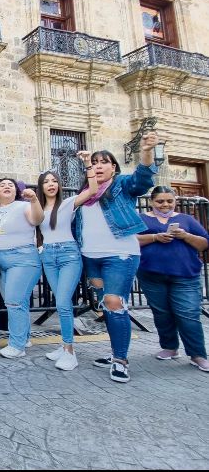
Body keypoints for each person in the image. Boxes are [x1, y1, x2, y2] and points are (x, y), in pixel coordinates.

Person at [76, 131, 159, 383]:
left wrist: (146, 152)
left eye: (104, 162)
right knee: (106, 307)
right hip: (92, 257)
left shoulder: (122, 185)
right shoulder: (88, 192)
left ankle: (121, 360)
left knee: (114, 303)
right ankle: (114, 353)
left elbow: (143, 180)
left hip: (119, 256)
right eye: (95, 162)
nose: (99, 166)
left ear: (114, 168)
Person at [35, 152, 97, 371]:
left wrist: (88, 164)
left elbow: (93, 190)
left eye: (54, 181)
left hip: (69, 254)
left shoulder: (69, 202)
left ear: (59, 185)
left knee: (63, 303)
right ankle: (64, 346)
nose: (50, 185)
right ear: (41, 187)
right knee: (60, 303)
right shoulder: (39, 209)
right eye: (46, 182)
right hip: (48, 256)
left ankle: (70, 351)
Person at [136, 186, 209, 372]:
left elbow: (204, 243)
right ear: (152, 202)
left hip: (185, 275)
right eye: (160, 201)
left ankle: (197, 354)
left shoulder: (186, 220)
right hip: (151, 274)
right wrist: (155, 237)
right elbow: (129, 239)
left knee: (188, 314)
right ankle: (170, 347)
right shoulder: (142, 218)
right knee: (161, 313)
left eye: (169, 200)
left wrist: (185, 235)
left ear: (175, 201)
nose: (165, 204)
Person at [0, 178, 44, 359]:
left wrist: (34, 200)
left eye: (11, 184)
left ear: (16, 190)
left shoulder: (23, 206)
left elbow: (37, 219)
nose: (7, 186)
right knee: (19, 302)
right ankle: (24, 338)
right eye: (2, 185)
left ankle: (16, 345)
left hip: (23, 257)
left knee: (13, 301)